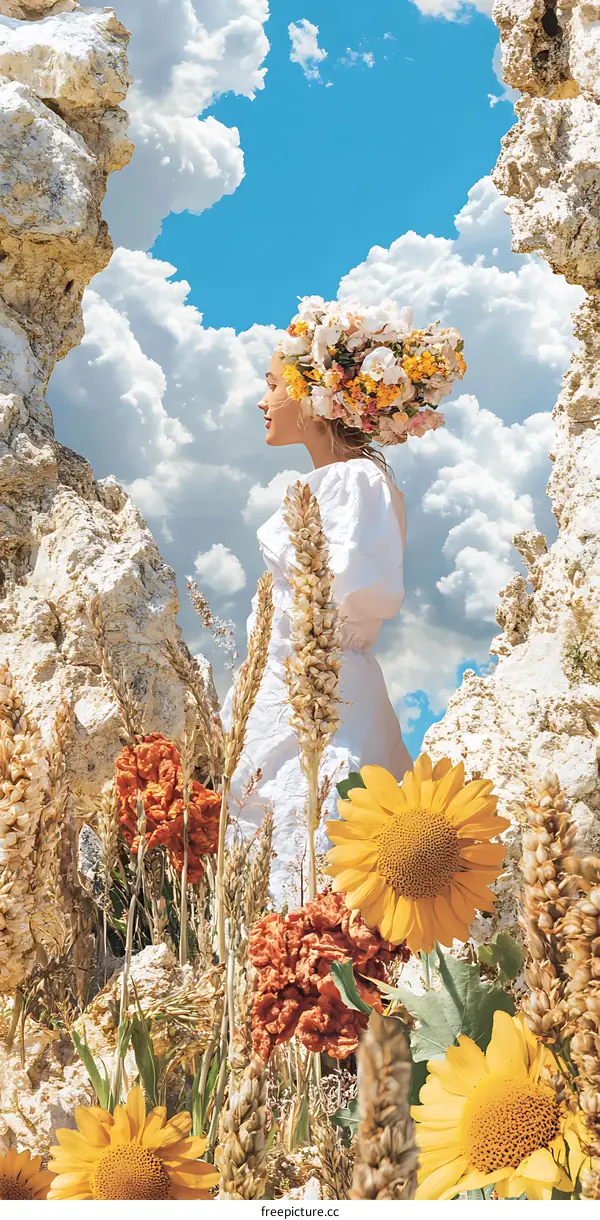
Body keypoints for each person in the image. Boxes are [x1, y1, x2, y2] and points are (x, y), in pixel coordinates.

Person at [223, 296, 466, 905]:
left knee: (308, 858)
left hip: (322, 692)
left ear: (314, 398)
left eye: (273, 384)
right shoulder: (339, 481)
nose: (262, 400)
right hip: (296, 689)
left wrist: (296, 669)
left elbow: (346, 599)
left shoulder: (356, 481)